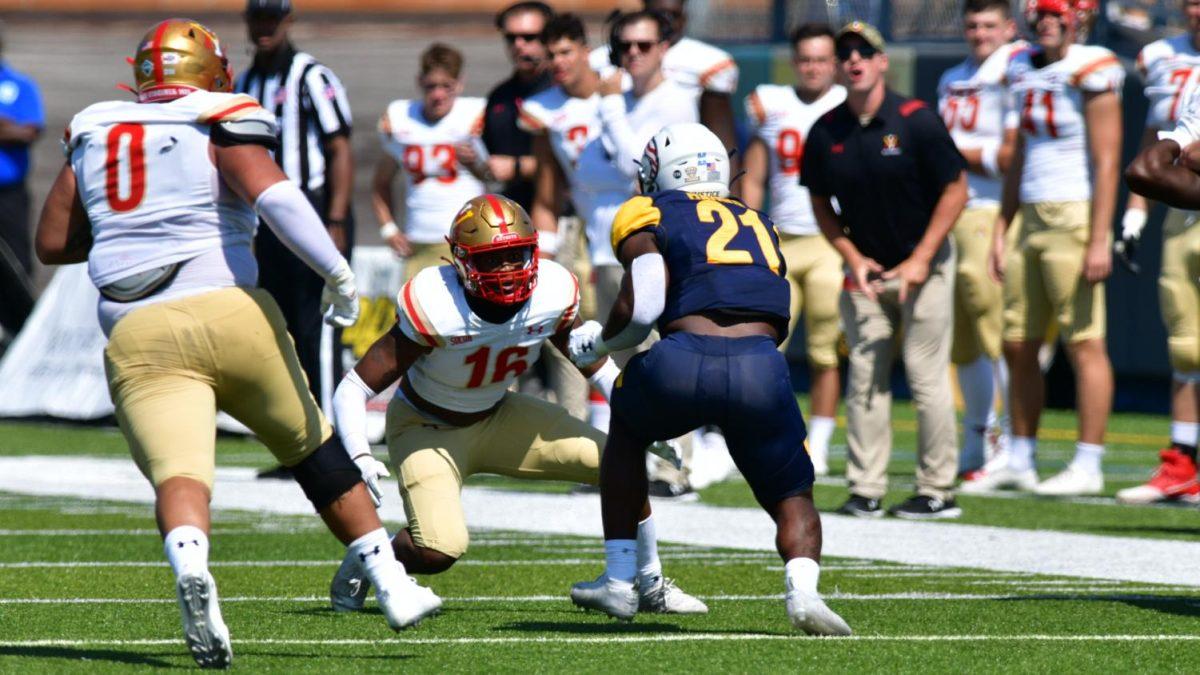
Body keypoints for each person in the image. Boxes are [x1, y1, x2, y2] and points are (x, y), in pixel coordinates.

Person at [34, 19, 439, 667]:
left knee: (181, 472)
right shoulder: (221, 114)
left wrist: (123, 233)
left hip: (137, 330)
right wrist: (334, 269)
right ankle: (391, 582)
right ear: (213, 74)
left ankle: (192, 564)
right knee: (312, 449)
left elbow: (51, 243)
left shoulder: (95, 128)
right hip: (227, 306)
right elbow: (275, 195)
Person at [325, 194, 705, 617]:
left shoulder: (553, 292)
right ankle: (369, 558)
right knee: (438, 550)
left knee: (620, 461)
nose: (507, 270)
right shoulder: (436, 303)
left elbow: (594, 367)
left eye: (515, 255)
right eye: (492, 259)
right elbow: (354, 386)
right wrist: (358, 451)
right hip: (426, 428)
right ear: (462, 262)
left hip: (501, 415)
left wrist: (642, 422)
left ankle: (649, 583)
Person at [564, 123, 849, 635]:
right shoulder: (759, 220)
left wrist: (603, 343)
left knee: (626, 433)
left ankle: (621, 579)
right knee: (791, 492)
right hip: (762, 366)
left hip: (684, 358)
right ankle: (803, 591)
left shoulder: (650, 211)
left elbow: (645, 300)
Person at [802, 22, 969, 519]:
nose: (853, 60)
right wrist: (852, 258)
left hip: (927, 262)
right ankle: (866, 488)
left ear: (881, 63)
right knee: (865, 376)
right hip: (868, 269)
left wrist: (921, 258)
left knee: (924, 374)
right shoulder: (826, 129)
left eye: (864, 52)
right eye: (845, 53)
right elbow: (818, 200)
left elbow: (955, 190)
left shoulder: (916, 119)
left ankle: (938, 488)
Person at [983, 0, 1122, 496]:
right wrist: (1002, 224)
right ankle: (1020, 457)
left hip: (1073, 212)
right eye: (1040, 15)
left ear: (1076, 18)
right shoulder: (1019, 66)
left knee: (1083, 342)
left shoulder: (1092, 66)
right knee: (1018, 342)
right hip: (1029, 214)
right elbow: (1019, 152)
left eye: (1055, 15)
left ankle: (1089, 462)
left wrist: (1100, 235)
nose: (1046, 23)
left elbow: (1108, 161)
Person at [236, 0, 355, 411]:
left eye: (272, 18)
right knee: (281, 328)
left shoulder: (311, 75)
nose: (265, 27)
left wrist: (336, 218)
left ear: (288, 20)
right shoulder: (245, 82)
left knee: (317, 326)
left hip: (316, 212)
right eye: (258, 18)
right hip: (268, 222)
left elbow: (339, 148)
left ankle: (330, 439)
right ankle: (300, 442)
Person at [740, 23, 846, 476]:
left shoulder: (847, 104)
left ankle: (817, 442)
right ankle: (768, 436)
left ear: (835, 64)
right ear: (793, 62)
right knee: (765, 350)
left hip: (831, 242)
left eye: (822, 59)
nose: (813, 68)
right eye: (805, 59)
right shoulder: (774, 104)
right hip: (781, 241)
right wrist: (749, 235)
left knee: (825, 350)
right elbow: (756, 175)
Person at [1114, 0, 1200, 505]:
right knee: (1187, 343)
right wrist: (1134, 216)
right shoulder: (1169, 61)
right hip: (1183, 215)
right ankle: (1183, 459)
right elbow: (1154, 155)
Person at [936, 0, 1022, 484]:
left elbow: (1011, 156)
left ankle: (1008, 438)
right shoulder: (951, 76)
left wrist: (956, 149)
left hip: (992, 209)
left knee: (996, 329)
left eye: (990, 24)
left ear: (1009, 27)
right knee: (962, 336)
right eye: (972, 24)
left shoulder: (1017, 68)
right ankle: (978, 434)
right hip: (953, 210)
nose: (979, 33)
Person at [374, 43, 488, 283]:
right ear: (419, 81)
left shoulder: (476, 115)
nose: (438, 94)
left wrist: (475, 163)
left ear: (460, 83)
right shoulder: (400, 117)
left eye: (446, 86)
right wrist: (389, 229)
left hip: (469, 241)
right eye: (431, 86)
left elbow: (498, 181)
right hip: (418, 243)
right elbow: (381, 182)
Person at [589, 0, 738, 155]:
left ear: (662, 49)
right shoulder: (603, 66)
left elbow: (634, 166)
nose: (634, 52)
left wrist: (611, 104)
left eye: (644, 45)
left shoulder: (677, 97)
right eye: (625, 46)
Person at [482, 1, 555, 212]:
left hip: (561, 213)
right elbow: (491, 159)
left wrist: (517, 167)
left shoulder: (563, 93)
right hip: (514, 215)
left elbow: (575, 163)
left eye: (529, 37)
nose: (519, 45)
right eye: (511, 38)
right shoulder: (499, 97)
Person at [0, 20, 43, 344]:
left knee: (16, 261)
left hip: (8, 192)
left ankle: (22, 333)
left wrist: (7, 129)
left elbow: (30, 130)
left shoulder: (18, 85)